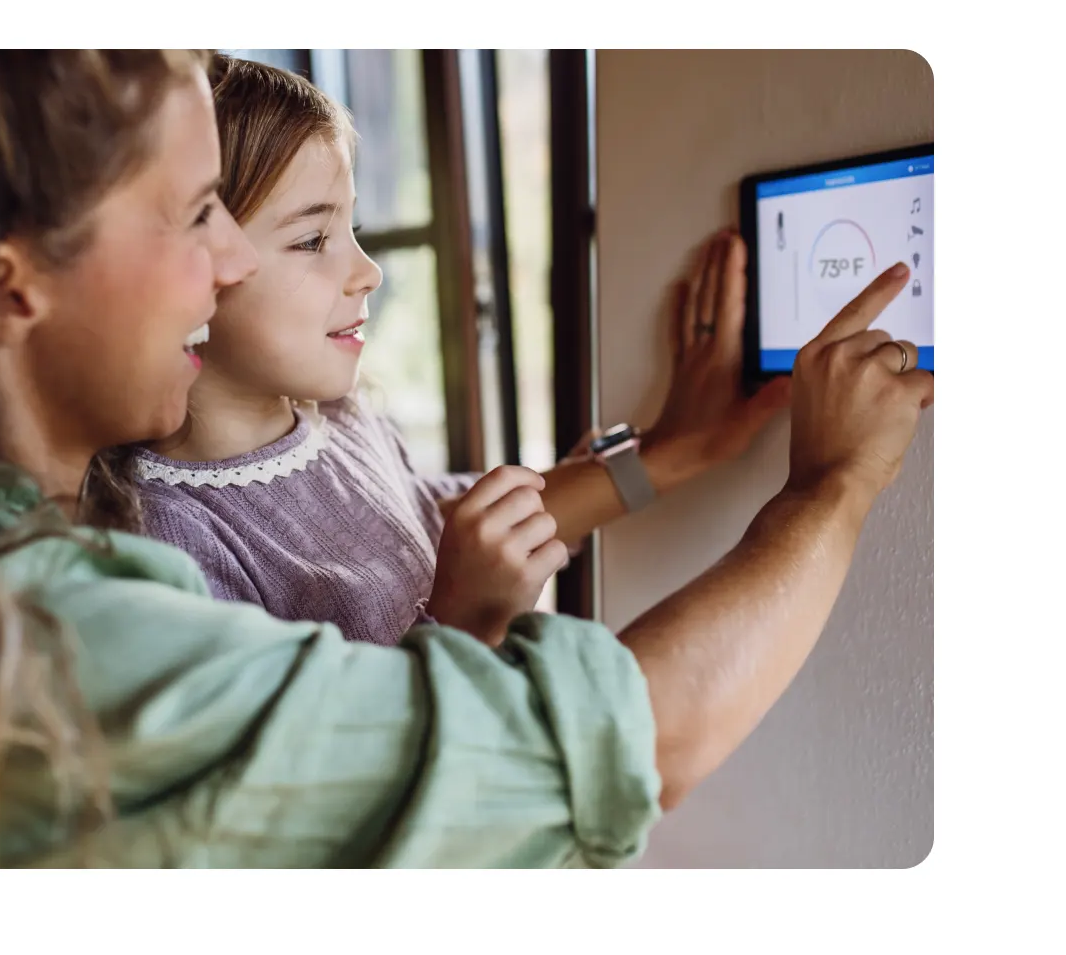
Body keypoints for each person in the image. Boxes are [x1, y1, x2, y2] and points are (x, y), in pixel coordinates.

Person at [0, 49, 932, 869]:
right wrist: (833, 483)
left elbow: (437, 515)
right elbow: (622, 744)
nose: (233, 263)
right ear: (5, 281)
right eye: (199, 217)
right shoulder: (63, 630)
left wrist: (663, 452)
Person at [134, 56, 792, 646]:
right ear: (197, 262)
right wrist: (464, 626)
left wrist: (675, 453)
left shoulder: (341, 421)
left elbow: (446, 528)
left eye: (352, 229)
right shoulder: (172, 540)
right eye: (312, 240)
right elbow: (341, 771)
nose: (368, 271)